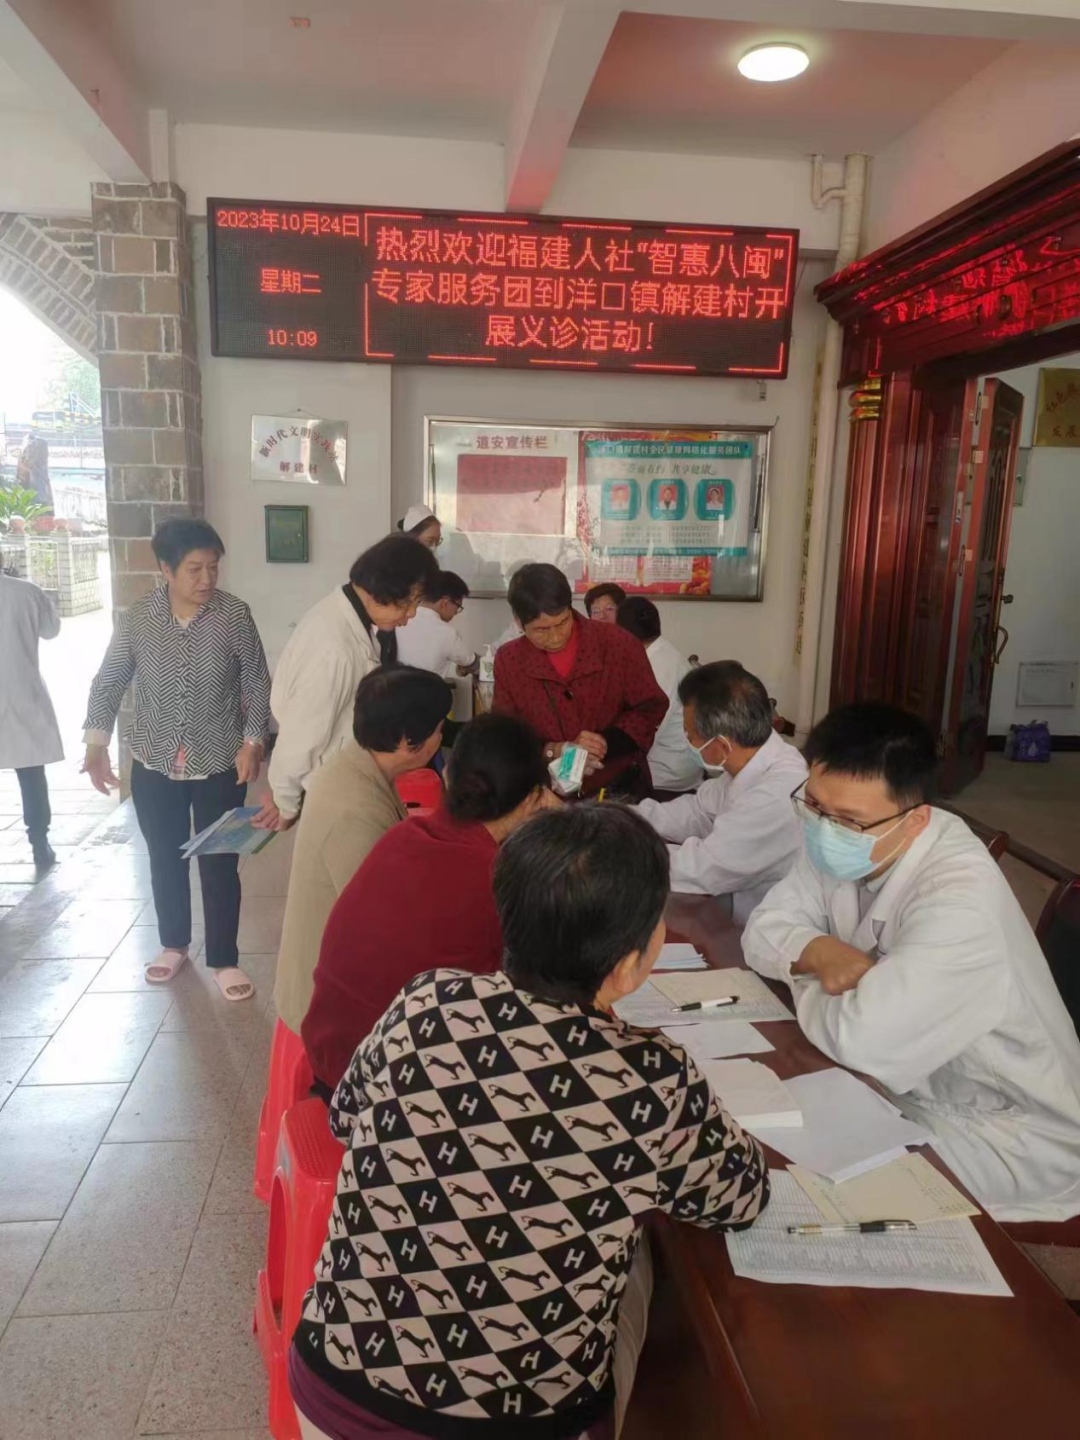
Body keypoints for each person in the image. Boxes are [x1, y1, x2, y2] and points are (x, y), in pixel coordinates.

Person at [289, 803, 769, 1440]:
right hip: (517, 1428)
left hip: (330, 1395)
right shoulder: (654, 1076)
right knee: (646, 1267)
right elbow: (741, 1197)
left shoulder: (423, 1002)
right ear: (629, 963)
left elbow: (347, 1118)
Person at [743, 702, 1080, 1222]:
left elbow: (862, 1041)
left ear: (916, 819)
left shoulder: (961, 900)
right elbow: (763, 928)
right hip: (905, 1082)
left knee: (804, 1187)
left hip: (1003, 1128)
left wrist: (802, 967)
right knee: (762, 1122)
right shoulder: (844, 828)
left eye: (846, 820)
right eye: (812, 805)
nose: (824, 829)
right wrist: (817, 952)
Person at [302, 712, 555, 1093]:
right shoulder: (497, 878)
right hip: (384, 1091)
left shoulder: (404, 834)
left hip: (331, 1058)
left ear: (448, 775)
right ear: (534, 799)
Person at [83, 518, 270, 1000]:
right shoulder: (139, 617)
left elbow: (256, 681)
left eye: (213, 568)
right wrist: (96, 744)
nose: (207, 579)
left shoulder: (234, 614)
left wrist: (253, 741)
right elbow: (110, 679)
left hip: (221, 760)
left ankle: (224, 959)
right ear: (165, 569)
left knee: (219, 861)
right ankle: (174, 945)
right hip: (154, 759)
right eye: (194, 569)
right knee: (164, 856)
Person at [273, 666, 451, 1038]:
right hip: (326, 1009)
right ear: (407, 741)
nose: (441, 737)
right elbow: (379, 927)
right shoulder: (355, 812)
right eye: (438, 729)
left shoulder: (358, 763)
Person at [261, 534, 438, 830]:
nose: (411, 614)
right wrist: (286, 804)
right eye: (409, 602)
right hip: (328, 793)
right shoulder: (335, 648)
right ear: (381, 589)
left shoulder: (349, 621)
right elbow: (300, 738)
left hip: (339, 782)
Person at [636, 661, 806, 923]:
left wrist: (622, 854)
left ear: (722, 745)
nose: (687, 743)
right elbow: (697, 811)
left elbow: (704, 869)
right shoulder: (747, 762)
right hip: (731, 906)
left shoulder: (776, 793)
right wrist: (623, 817)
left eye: (689, 736)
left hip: (762, 926)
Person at [493, 563, 667, 798]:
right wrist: (555, 750)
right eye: (541, 630)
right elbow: (505, 734)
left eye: (562, 623)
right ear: (518, 622)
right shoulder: (510, 660)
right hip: (547, 793)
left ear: (570, 608)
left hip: (617, 787)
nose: (555, 637)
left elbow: (650, 708)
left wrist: (602, 743)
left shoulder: (618, 644)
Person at [0, 569, 63, 868]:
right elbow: (51, 630)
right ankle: (39, 843)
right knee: (31, 775)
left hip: (20, 694)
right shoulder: (26, 591)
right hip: (23, 692)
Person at [617, 596, 700, 797]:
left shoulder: (657, 667)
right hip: (674, 764)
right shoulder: (662, 653)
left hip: (666, 776)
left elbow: (646, 730)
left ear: (623, 634)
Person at [396, 569, 476, 678]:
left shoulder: (399, 621)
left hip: (392, 687)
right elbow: (472, 662)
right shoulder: (447, 633)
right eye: (458, 607)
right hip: (428, 688)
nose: (456, 613)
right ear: (444, 603)